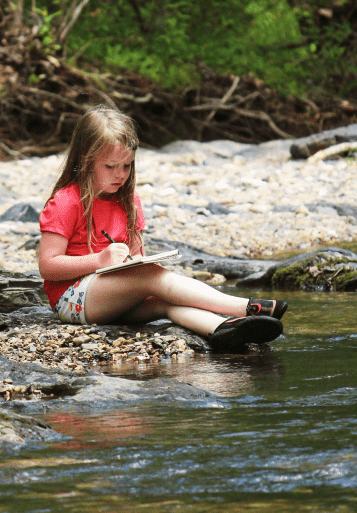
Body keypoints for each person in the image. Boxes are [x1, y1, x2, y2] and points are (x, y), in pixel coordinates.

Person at [38, 107, 287, 351]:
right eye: (111, 167)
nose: (120, 175)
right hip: (72, 299)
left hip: (112, 300)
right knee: (150, 276)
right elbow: (47, 266)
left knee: (165, 301)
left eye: (127, 166)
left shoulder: (128, 201)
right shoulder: (66, 201)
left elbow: (137, 258)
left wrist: (134, 262)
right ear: (85, 160)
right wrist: (100, 260)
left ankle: (224, 328)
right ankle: (246, 307)